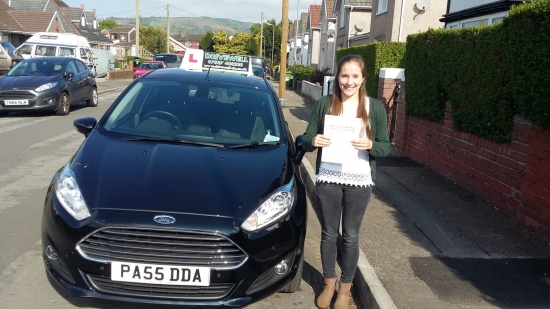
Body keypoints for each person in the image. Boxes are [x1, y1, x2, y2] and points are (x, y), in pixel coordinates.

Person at [301, 54, 391, 309]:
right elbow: (306, 137)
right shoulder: (324, 104)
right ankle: (328, 283)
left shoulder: (374, 108)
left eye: (354, 76)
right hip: (329, 177)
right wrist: (313, 141)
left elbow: (386, 148)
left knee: (350, 236)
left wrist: (371, 145)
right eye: (344, 76)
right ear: (337, 77)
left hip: (359, 178)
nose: (348, 82)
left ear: (363, 78)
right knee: (329, 234)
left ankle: (345, 288)